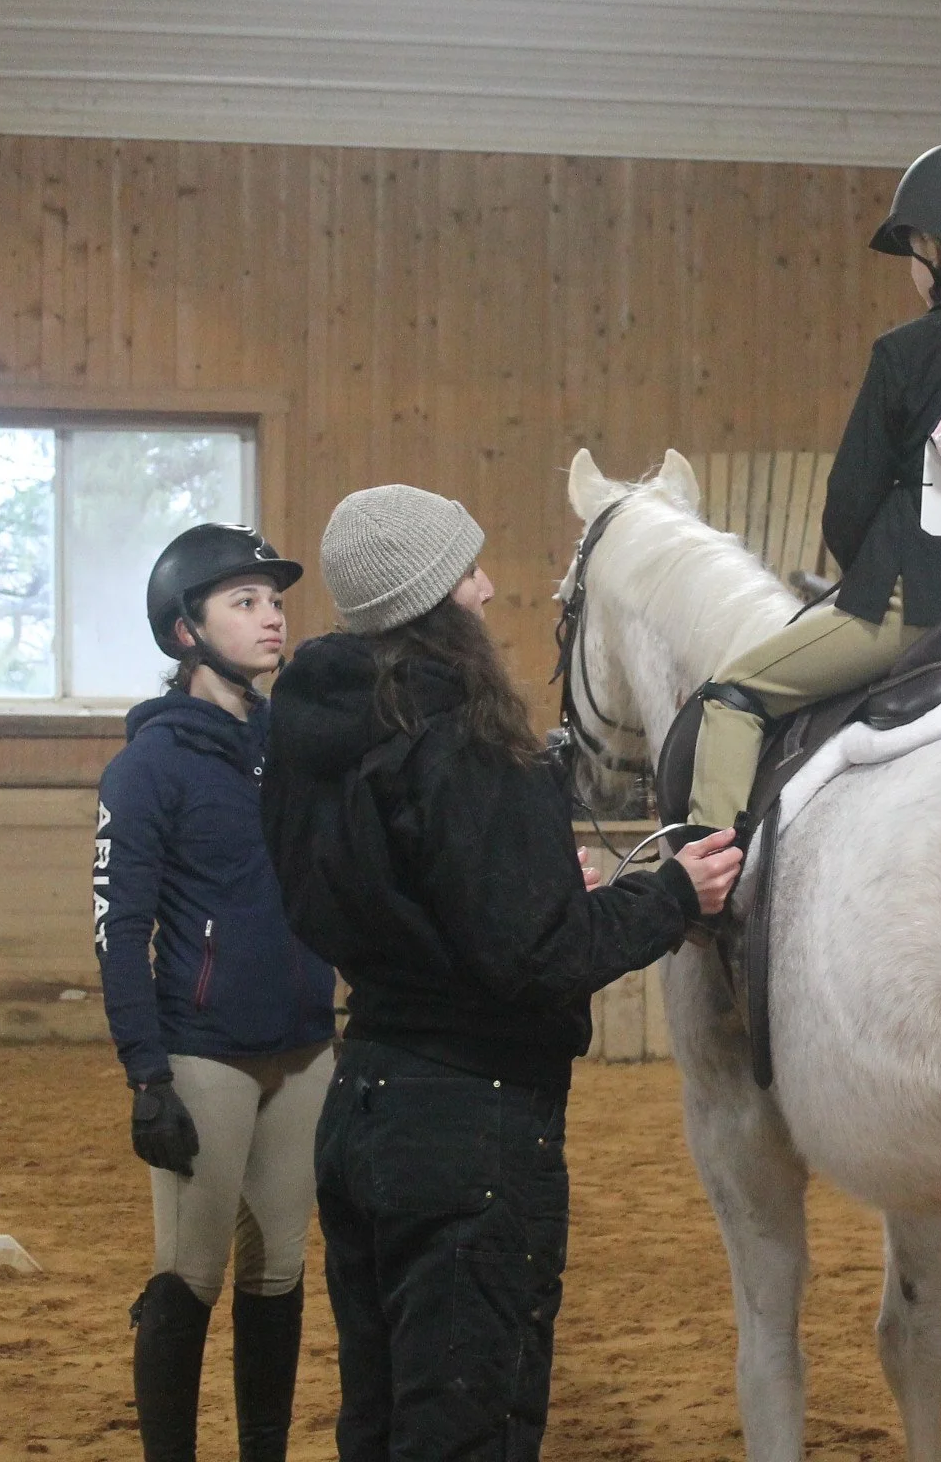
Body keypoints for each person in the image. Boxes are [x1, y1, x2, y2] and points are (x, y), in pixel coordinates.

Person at [260, 484, 742, 1460]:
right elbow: (542, 955)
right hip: (468, 1129)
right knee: (469, 1421)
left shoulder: (314, 733)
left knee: (382, 1410)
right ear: (433, 599)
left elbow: (396, 891)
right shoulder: (466, 739)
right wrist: (673, 893)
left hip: (361, 1106)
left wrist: (520, 883)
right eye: (467, 572)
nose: (485, 589)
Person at [682, 135, 941, 836]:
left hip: (912, 617)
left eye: (911, 249)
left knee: (729, 699)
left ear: (932, 250)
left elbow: (847, 507)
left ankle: (705, 884)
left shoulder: (905, 354)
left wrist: (867, 582)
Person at [95, 524, 340, 1461]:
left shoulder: (295, 752)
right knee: (189, 1276)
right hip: (202, 1054)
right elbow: (121, 925)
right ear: (184, 631)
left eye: (274, 601)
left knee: (278, 1272)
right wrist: (145, 1072)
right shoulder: (148, 768)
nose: (272, 616)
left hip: (306, 1046)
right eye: (244, 602)